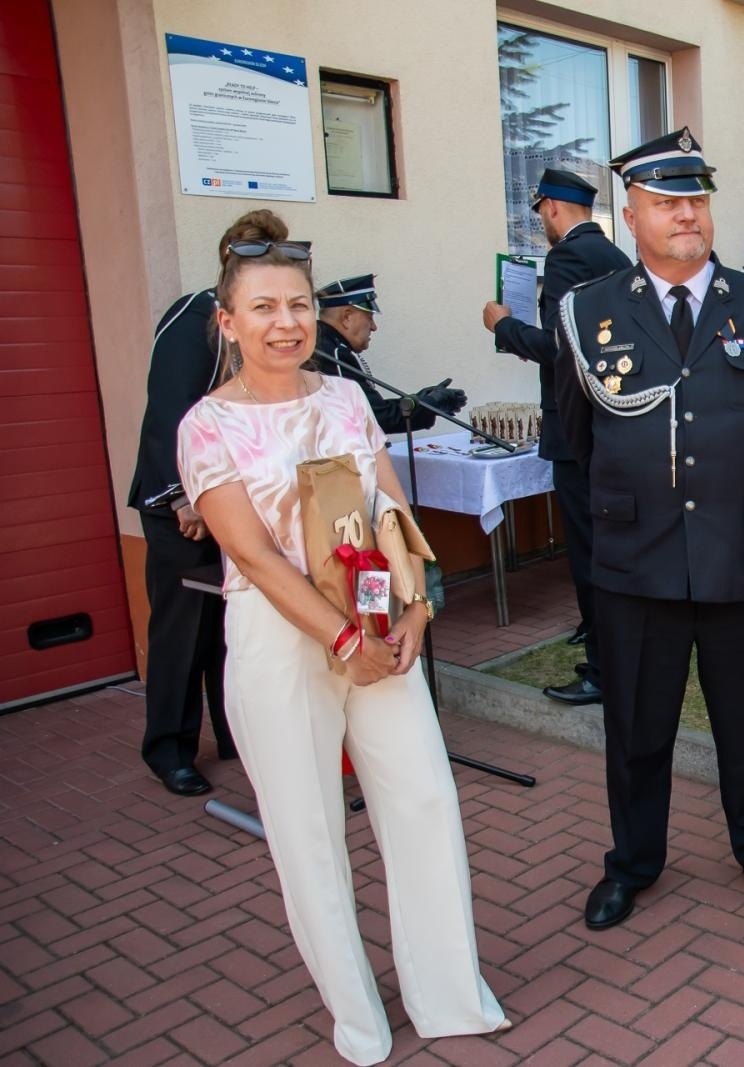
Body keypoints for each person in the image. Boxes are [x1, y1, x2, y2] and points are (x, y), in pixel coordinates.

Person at [178, 230, 507, 1064]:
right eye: (263, 308)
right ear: (227, 322)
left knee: (426, 800)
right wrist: (335, 638)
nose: (284, 322)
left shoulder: (346, 399)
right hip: (280, 637)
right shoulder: (205, 425)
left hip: (375, 622)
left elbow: (390, 507)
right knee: (309, 830)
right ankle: (358, 1016)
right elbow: (250, 552)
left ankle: (448, 996)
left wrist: (417, 607)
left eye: (297, 304)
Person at [552, 127, 744, 931]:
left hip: (738, 555)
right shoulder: (587, 309)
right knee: (635, 729)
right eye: (666, 202)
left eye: (695, 199)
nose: (686, 214)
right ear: (630, 215)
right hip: (635, 564)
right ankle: (632, 862)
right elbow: (573, 441)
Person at [482, 168, 630, 705]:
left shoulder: (565, 257)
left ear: (550, 209)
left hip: (575, 428)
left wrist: (501, 324)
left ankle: (603, 669)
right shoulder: (615, 257)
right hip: (613, 422)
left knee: (590, 553)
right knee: (611, 545)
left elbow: (559, 347)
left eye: (539, 212)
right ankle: (617, 649)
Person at [127, 215, 257, 797]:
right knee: (181, 632)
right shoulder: (194, 316)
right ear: (230, 260)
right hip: (178, 503)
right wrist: (183, 496)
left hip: (226, 500)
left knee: (226, 628)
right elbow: (171, 416)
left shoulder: (249, 322)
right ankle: (169, 749)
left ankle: (233, 734)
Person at [313, 274, 467, 435]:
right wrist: (430, 403)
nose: (374, 327)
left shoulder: (327, 344)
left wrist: (419, 402)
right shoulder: (336, 354)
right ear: (346, 317)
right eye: (370, 317)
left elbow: (371, 409)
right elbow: (374, 418)